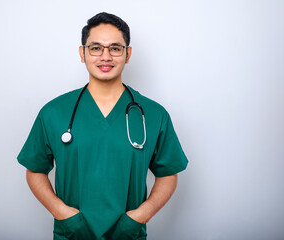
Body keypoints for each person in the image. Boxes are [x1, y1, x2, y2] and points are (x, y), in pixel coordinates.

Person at [17, 12, 188, 240]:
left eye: (115, 48)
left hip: (128, 234)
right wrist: (62, 213)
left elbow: (168, 173)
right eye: (96, 48)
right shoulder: (54, 112)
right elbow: (35, 169)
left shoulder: (154, 114)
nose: (105, 56)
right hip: (72, 234)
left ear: (127, 54)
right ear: (82, 53)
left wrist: (140, 216)